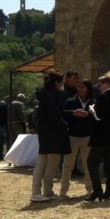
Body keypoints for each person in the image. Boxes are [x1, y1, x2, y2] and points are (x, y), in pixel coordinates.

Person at [30, 72, 70, 202]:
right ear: (57, 83)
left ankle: (40, 191)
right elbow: (55, 115)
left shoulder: (45, 94)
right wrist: (66, 126)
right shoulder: (51, 95)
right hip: (53, 133)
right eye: (61, 83)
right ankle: (44, 191)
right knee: (51, 163)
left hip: (45, 133)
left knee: (42, 162)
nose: (62, 86)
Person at [86, 74, 110, 201]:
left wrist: (91, 110)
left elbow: (98, 117)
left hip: (101, 136)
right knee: (109, 162)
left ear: (108, 84)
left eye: (101, 84)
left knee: (91, 162)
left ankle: (97, 190)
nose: (98, 86)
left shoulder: (103, 96)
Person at [60, 80, 94, 197]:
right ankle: (63, 191)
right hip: (72, 137)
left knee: (88, 164)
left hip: (88, 137)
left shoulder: (94, 102)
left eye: (82, 87)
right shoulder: (70, 102)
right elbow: (62, 114)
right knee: (68, 165)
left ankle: (90, 190)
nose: (79, 89)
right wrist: (73, 113)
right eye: (78, 87)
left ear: (88, 89)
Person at [0, 95, 10, 160]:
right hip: (5, 125)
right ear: (7, 99)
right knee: (8, 141)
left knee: (0, 142)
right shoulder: (6, 106)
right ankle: (9, 156)